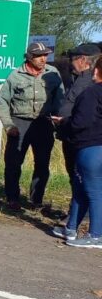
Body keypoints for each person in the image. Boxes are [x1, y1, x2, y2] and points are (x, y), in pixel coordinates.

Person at [0, 42, 64, 210]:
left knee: (42, 163)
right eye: (39, 56)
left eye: (45, 55)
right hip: (20, 122)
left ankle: (36, 200)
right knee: (13, 162)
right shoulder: (15, 76)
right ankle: (12, 198)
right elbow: (3, 101)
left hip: (43, 123)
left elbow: (60, 98)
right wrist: (8, 125)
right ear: (29, 57)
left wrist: (56, 119)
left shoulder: (53, 73)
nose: (43, 59)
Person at [49, 43, 101, 230]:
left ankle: (85, 221)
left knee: (83, 179)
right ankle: (74, 218)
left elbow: (86, 115)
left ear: (83, 60)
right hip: (73, 135)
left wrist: (65, 121)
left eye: (73, 59)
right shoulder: (79, 79)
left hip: (83, 137)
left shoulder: (91, 83)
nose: (70, 64)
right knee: (76, 177)